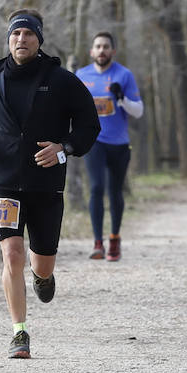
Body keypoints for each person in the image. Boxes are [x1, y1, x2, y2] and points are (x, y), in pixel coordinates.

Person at [0, 9, 100, 359]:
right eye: (15, 34)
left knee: (42, 261)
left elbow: (89, 125)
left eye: (28, 34)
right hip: (4, 180)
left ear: (39, 40)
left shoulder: (61, 80)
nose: (21, 39)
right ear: (9, 40)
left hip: (45, 183)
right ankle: (19, 332)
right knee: (11, 254)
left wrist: (64, 148)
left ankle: (43, 277)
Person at [75, 32, 143, 261]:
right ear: (91, 51)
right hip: (94, 142)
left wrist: (121, 98)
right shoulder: (82, 75)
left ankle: (114, 239)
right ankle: (97, 243)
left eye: (106, 46)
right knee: (96, 188)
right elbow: (71, 108)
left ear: (113, 51)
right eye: (98, 46)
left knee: (115, 191)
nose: (101, 50)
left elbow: (138, 111)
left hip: (119, 143)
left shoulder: (124, 75)